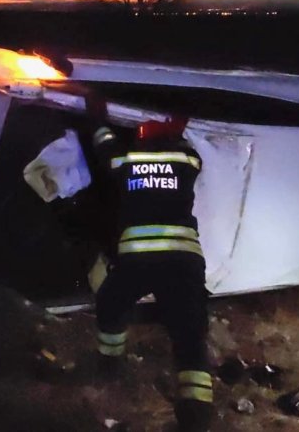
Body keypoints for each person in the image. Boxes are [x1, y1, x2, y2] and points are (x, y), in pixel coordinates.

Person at [86, 95, 214, 432]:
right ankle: (196, 413)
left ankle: (110, 365)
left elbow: (104, 149)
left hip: (139, 260)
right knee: (190, 332)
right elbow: (185, 152)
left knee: (110, 304)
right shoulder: (188, 158)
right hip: (183, 261)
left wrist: (98, 118)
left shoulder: (127, 159)